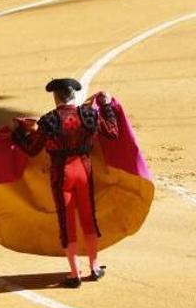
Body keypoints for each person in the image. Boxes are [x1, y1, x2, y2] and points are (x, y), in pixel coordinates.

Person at [10, 78, 117, 288]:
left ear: (56, 96)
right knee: (88, 216)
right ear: (74, 95)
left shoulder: (49, 121)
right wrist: (106, 106)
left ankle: (75, 274)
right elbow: (113, 131)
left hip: (62, 174)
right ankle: (94, 268)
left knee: (66, 221)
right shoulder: (89, 115)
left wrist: (17, 131)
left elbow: (31, 149)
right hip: (84, 171)